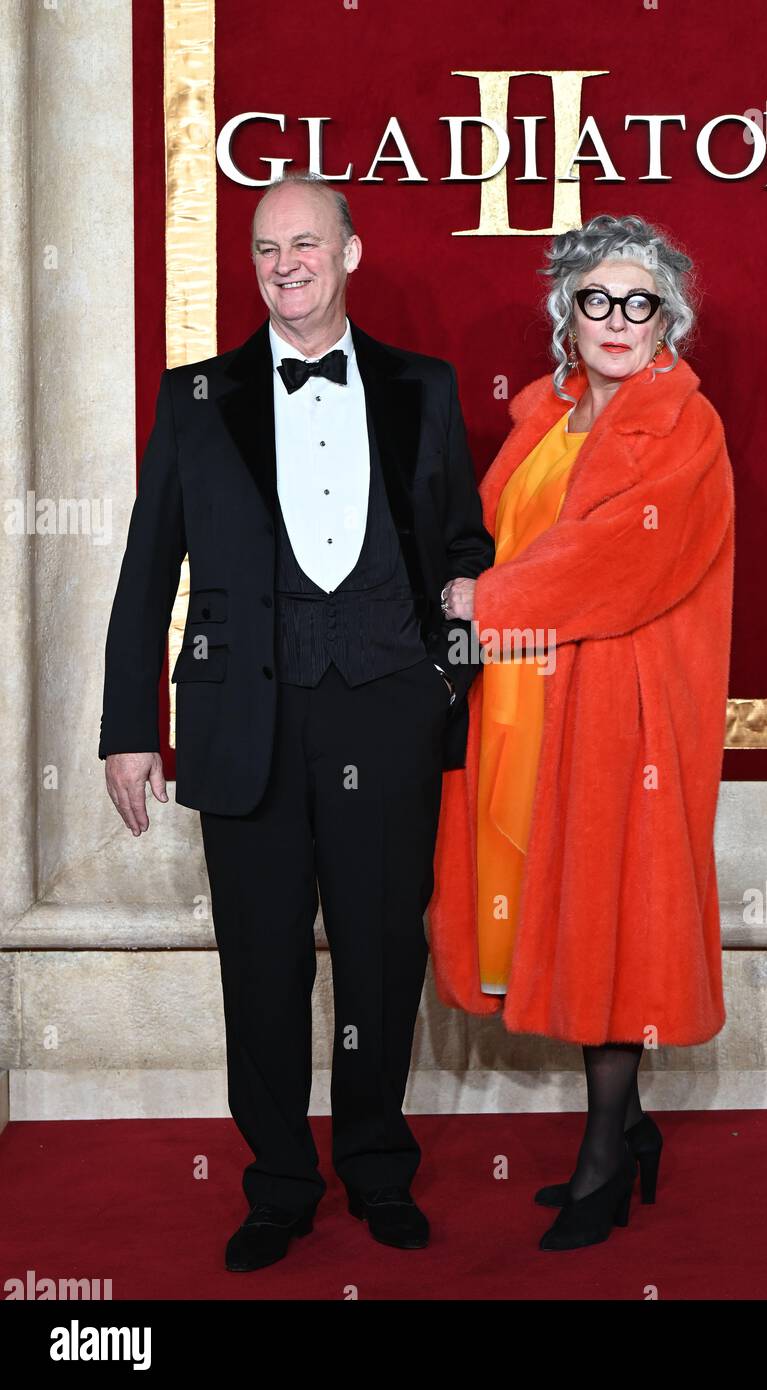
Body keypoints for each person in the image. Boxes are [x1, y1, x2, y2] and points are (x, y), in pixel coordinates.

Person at [99, 169, 493, 1271]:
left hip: (385, 714)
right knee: (262, 962)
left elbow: (465, 552)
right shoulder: (192, 399)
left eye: (305, 244)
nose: (285, 265)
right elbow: (146, 574)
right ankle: (277, 1181)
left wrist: (446, 683)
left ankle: (375, 1167)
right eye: (267, 249)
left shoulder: (423, 385)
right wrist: (129, 725)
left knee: (378, 960)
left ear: (350, 252)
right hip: (243, 724)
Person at [430, 213, 735, 1251]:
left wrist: (487, 598)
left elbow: (621, 564)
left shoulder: (683, 427)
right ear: (567, 311)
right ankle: (630, 1128)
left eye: (637, 302)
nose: (614, 319)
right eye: (595, 299)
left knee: (613, 913)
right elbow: (497, 535)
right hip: (522, 704)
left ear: (667, 321)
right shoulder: (540, 421)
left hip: (619, 712)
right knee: (551, 906)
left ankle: (604, 1155)